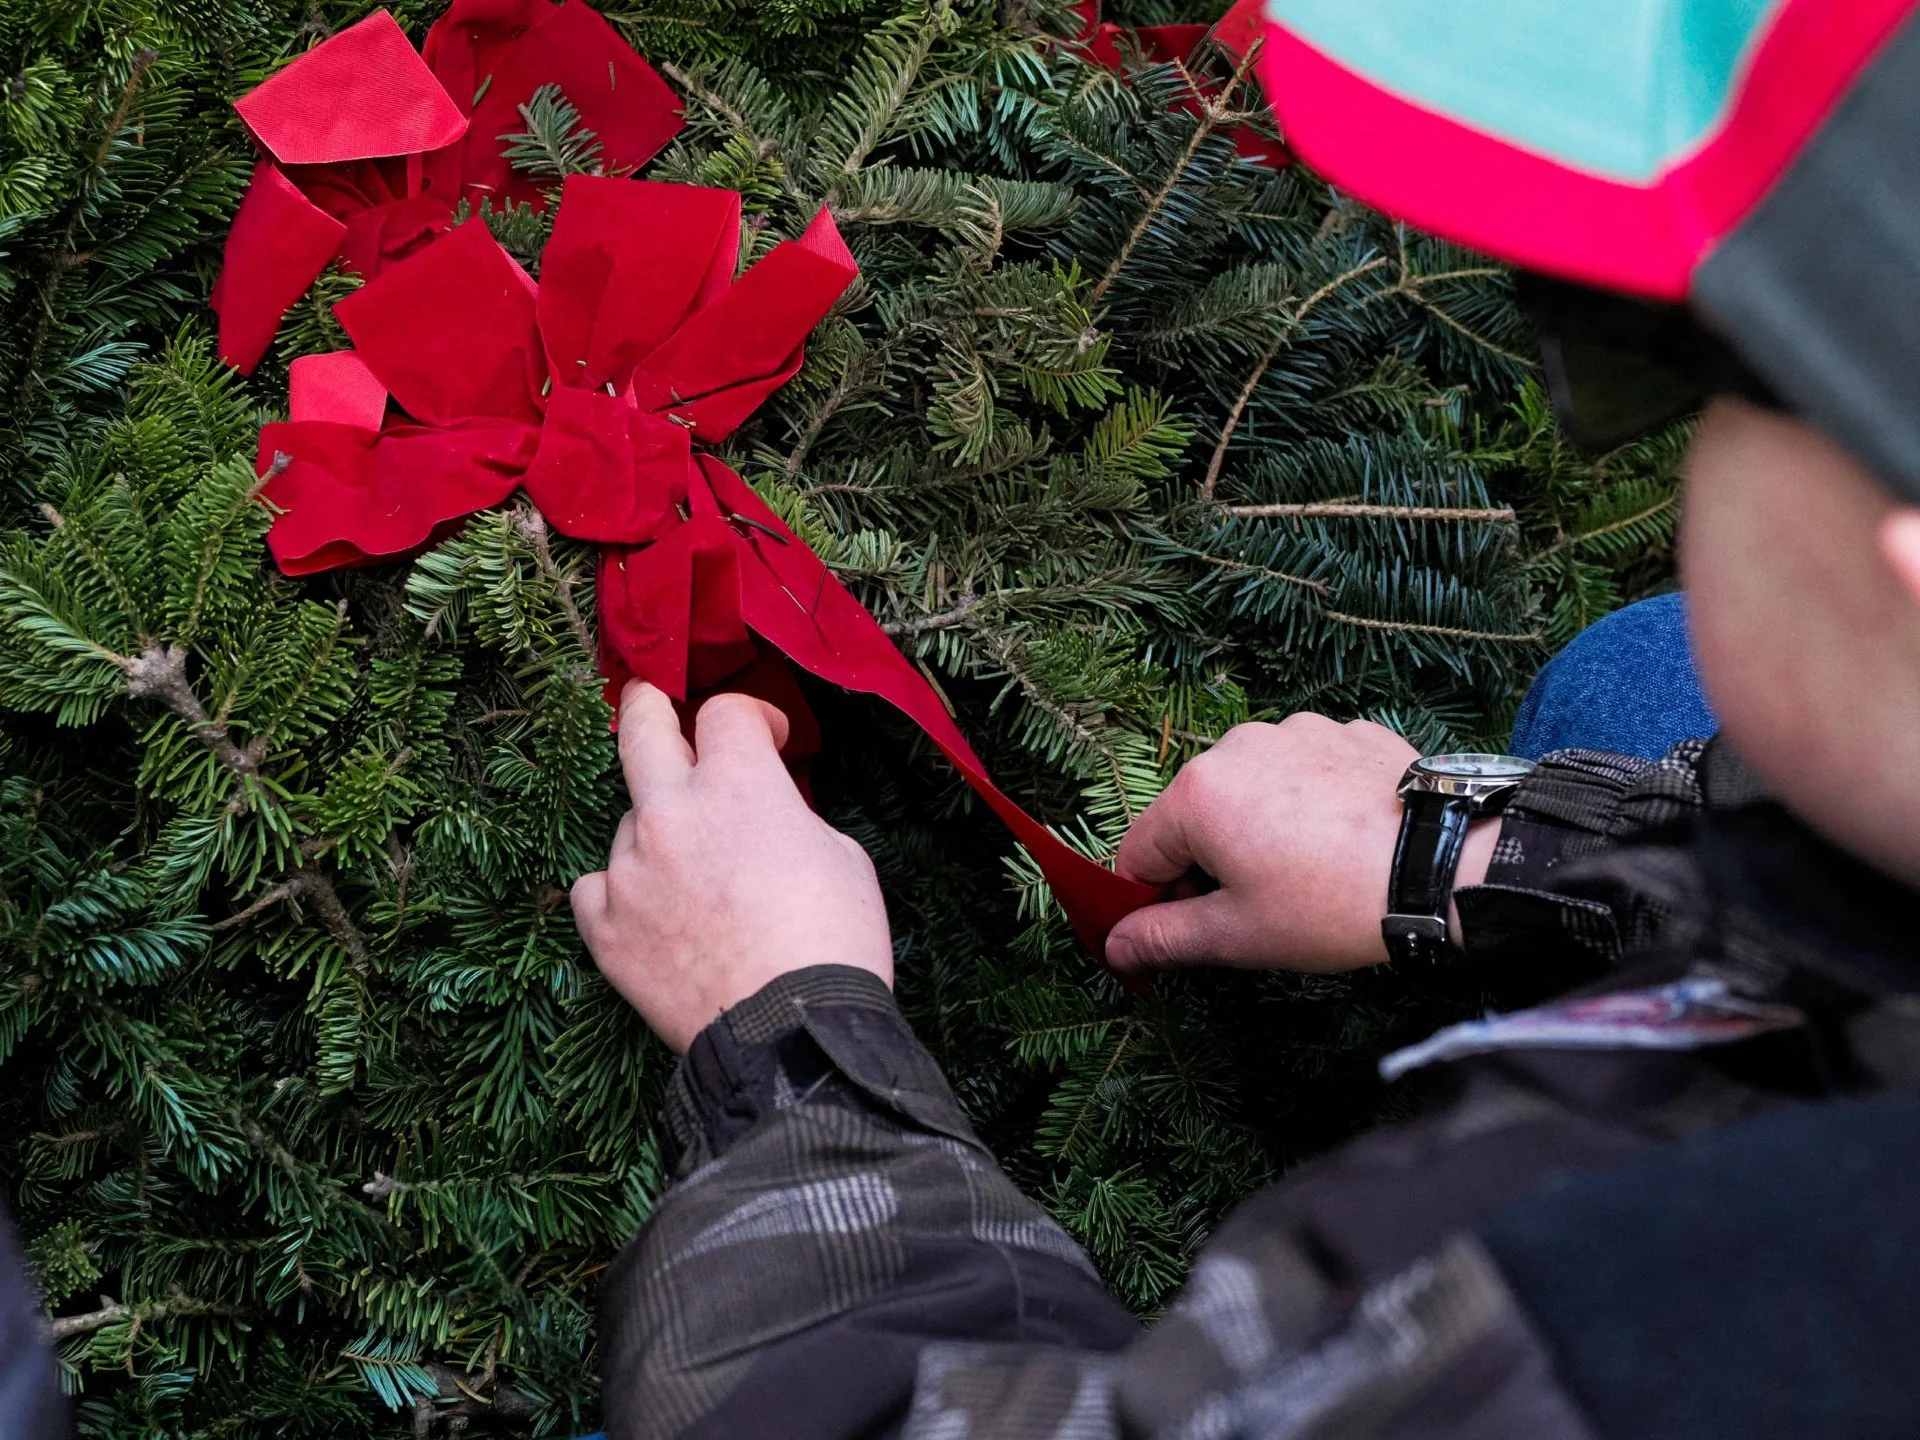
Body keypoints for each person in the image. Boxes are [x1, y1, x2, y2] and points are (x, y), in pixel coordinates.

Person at [570, 4, 1920, 1436]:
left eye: (1681, 357)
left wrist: (787, 1044)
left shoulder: (1625, 1317)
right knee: (1644, 679)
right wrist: (1481, 856)